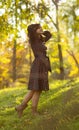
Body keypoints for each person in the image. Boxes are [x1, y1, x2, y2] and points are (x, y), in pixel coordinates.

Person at [15, 23, 52, 117]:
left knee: (36, 89)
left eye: (40, 27)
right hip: (38, 65)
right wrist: (37, 31)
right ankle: (33, 111)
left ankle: (21, 108)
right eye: (38, 28)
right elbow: (32, 33)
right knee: (36, 88)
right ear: (33, 31)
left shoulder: (40, 39)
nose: (40, 28)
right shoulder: (34, 39)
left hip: (42, 64)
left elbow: (49, 35)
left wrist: (42, 32)